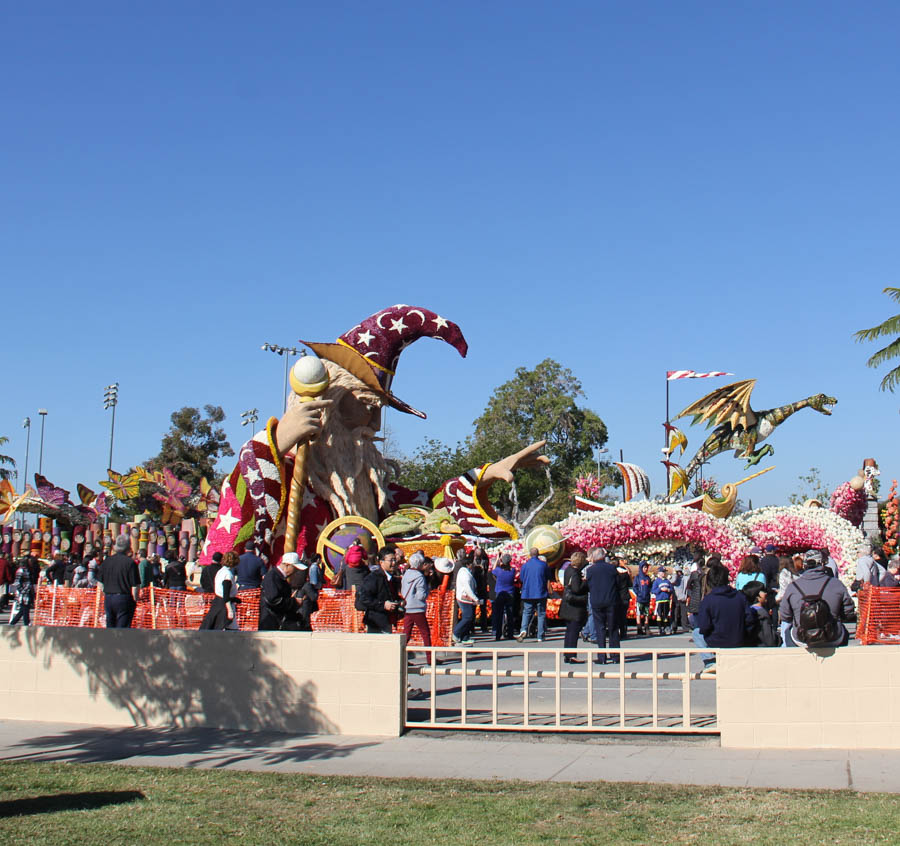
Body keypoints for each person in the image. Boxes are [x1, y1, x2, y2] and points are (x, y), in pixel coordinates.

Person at [199, 305, 548, 572]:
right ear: (332, 402)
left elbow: (425, 506)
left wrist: (484, 475)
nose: (377, 424)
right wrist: (277, 439)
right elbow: (233, 532)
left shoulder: (369, 489)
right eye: (369, 406)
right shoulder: (285, 472)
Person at [780, 549, 856, 648]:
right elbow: (848, 612)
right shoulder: (836, 584)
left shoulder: (793, 587)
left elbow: (785, 616)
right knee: (844, 631)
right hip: (832, 636)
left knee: (787, 632)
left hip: (802, 638)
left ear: (805, 565)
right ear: (823, 564)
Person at [695, 562, 755, 670]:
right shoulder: (740, 596)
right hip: (739, 639)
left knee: (696, 633)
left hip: (716, 641)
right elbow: (750, 619)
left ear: (709, 581)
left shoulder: (708, 600)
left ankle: (710, 662)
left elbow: (704, 626)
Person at [584, 547, 621, 664]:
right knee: (613, 628)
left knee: (600, 629)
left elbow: (587, 586)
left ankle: (602, 657)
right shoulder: (612, 568)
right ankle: (615, 656)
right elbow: (618, 584)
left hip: (597, 602)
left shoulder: (590, 570)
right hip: (611, 601)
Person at [98, 535, 141, 628]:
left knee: (110, 626)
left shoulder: (106, 561)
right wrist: (136, 599)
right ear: (128, 547)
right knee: (122, 628)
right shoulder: (130, 563)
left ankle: (110, 642)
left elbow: (100, 584)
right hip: (124, 598)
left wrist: (105, 594)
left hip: (109, 598)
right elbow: (135, 586)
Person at [358, 545, 402, 634]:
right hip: (375, 622)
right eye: (391, 560)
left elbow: (390, 596)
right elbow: (364, 598)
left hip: (387, 621)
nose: (394, 563)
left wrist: (399, 601)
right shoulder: (374, 578)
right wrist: (383, 605)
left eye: (395, 560)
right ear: (381, 562)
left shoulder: (391, 578)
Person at [258, 552, 305, 630]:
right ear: (287, 565)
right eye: (295, 568)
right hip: (270, 623)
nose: (296, 571)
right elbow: (273, 600)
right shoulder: (273, 577)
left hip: (276, 621)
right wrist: (294, 602)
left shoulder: (278, 577)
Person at [400, 552, 433, 660]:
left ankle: (401, 657)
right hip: (417, 608)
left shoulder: (406, 574)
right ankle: (429, 658)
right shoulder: (420, 577)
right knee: (425, 633)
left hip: (407, 606)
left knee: (406, 634)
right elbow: (421, 595)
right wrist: (427, 590)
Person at [559, 550, 589, 663]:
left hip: (567, 605)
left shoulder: (568, 570)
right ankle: (571, 655)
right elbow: (577, 589)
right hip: (575, 607)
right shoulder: (575, 573)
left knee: (569, 630)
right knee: (574, 631)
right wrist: (585, 583)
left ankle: (567, 654)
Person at [200, 550, 241, 630]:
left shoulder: (220, 571)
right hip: (224, 606)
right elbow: (225, 594)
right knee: (229, 630)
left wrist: (235, 599)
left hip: (217, 603)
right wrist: (230, 611)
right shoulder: (227, 574)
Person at [516, 547, 549, 642]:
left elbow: (521, 578)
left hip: (528, 592)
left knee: (526, 613)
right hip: (540, 592)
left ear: (530, 555)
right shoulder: (543, 565)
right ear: (538, 554)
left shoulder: (525, 565)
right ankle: (540, 635)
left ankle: (523, 629)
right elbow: (548, 577)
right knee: (541, 614)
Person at [453, 554, 479, 646]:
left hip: (466, 598)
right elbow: (467, 588)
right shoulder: (465, 574)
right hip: (464, 598)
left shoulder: (465, 572)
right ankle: (456, 633)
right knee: (468, 617)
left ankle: (465, 637)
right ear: (468, 564)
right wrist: (475, 598)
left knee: (467, 617)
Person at [491, 554, 516, 640]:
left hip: (500, 593)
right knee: (510, 614)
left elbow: (493, 570)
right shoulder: (512, 571)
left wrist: (498, 558)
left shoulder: (498, 571)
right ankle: (510, 634)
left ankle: (498, 634)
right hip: (510, 593)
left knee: (499, 614)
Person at [9, 558, 35, 626]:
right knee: (25, 608)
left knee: (24, 609)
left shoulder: (27, 570)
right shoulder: (20, 570)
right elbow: (17, 582)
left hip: (27, 591)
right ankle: (26, 623)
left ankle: (13, 623)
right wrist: (22, 591)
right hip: (23, 593)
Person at [651, 566, 674, 635]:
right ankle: (660, 628)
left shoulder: (667, 581)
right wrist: (660, 589)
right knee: (659, 614)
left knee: (666, 615)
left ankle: (665, 627)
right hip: (659, 600)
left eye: (664, 572)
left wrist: (668, 590)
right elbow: (653, 591)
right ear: (659, 573)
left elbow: (672, 589)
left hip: (666, 600)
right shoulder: (656, 581)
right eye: (662, 572)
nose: (663, 573)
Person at [632, 561, 652, 636]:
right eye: (644, 567)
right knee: (639, 613)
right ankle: (639, 628)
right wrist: (639, 594)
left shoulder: (648, 578)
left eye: (647, 567)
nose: (646, 569)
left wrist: (649, 592)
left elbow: (650, 586)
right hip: (640, 598)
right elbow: (635, 587)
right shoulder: (637, 577)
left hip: (646, 598)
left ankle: (646, 627)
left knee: (646, 613)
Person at [615, 557, 632, 639]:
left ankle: (616, 632)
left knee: (617, 615)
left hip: (617, 596)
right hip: (625, 596)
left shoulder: (614, 573)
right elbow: (629, 584)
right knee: (623, 616)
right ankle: (623, 633)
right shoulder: (626, 573)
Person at [669, 566, 690, 635]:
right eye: (677, 572)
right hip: (676, 598)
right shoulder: (673, 578)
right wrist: (674, 574)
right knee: (674, 613)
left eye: (679, 572)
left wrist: (685, 596)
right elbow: (672, 581)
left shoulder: (684, 578)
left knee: (683, 613)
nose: (678, 573)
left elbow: (687, 584)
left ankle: (685, 627)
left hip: (682, 598)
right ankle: (674, 627)